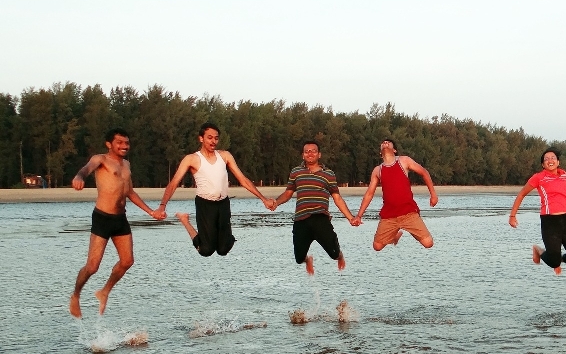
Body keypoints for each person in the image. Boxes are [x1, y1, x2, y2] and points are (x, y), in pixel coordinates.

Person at [69, 128, 164, 318]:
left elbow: (130, 192)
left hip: (121, 218)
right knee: (92, 267)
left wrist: (151, 212)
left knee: (127, 261)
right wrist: (79, 177)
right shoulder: (101, 159)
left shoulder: (127, 165)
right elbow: (86, 169)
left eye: (127, 143)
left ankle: (104, 291)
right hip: (103, 217)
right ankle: (76, 295)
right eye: (120, 142)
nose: (124, 146)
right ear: (109, 144)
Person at [158, 122, 274, 257]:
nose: (213, 141)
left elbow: (243, 179)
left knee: (223, 250)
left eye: (216, 138)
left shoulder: (225, 156)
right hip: (205, 205)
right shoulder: (192, 159)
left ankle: (225, 234)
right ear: (201, 138)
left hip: (223, 203)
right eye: (210, 137)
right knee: (206, 250)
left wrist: (263, 199)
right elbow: (174, 183)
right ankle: (185, 220)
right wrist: (162, 206)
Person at [273, 141, 357, 275]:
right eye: (307, 151)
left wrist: (351, 218)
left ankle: (339, 256)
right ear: (302, 155)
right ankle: (308, 260)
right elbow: (288, 193)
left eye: (313, 151)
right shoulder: (296, 172)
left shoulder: (328, 174)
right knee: (299, 258)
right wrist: (276, 203)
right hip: (301, 219)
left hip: (320, 218)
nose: (310, 153)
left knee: (333, 253)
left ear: (319, 154)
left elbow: (337, 198)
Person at [508, 147, 566, 275]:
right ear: (543, 164)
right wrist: (512, 215)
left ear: (558, 162)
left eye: (553, 158)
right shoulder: (538, 178)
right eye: (546, 159)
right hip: (550, 222)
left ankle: (558, 261)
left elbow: (564, 185)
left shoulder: (563, 174)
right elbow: (521, 194)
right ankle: (539, 251)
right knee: (553, 261)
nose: (550, 160)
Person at [352, 139, 438, 250]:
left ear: (395, 150)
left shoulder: (404, 161)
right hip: (389, 216)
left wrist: (433, 195)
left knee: (428, 243)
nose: (385, 143)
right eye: (382, 142)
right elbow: (369, 193)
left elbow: (424, 172)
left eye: (388, 142)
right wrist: (359, 215)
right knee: (377, 246)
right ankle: (394, 235)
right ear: (380, 152)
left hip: (408, 213)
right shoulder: (378, 170)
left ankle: (410, 229)